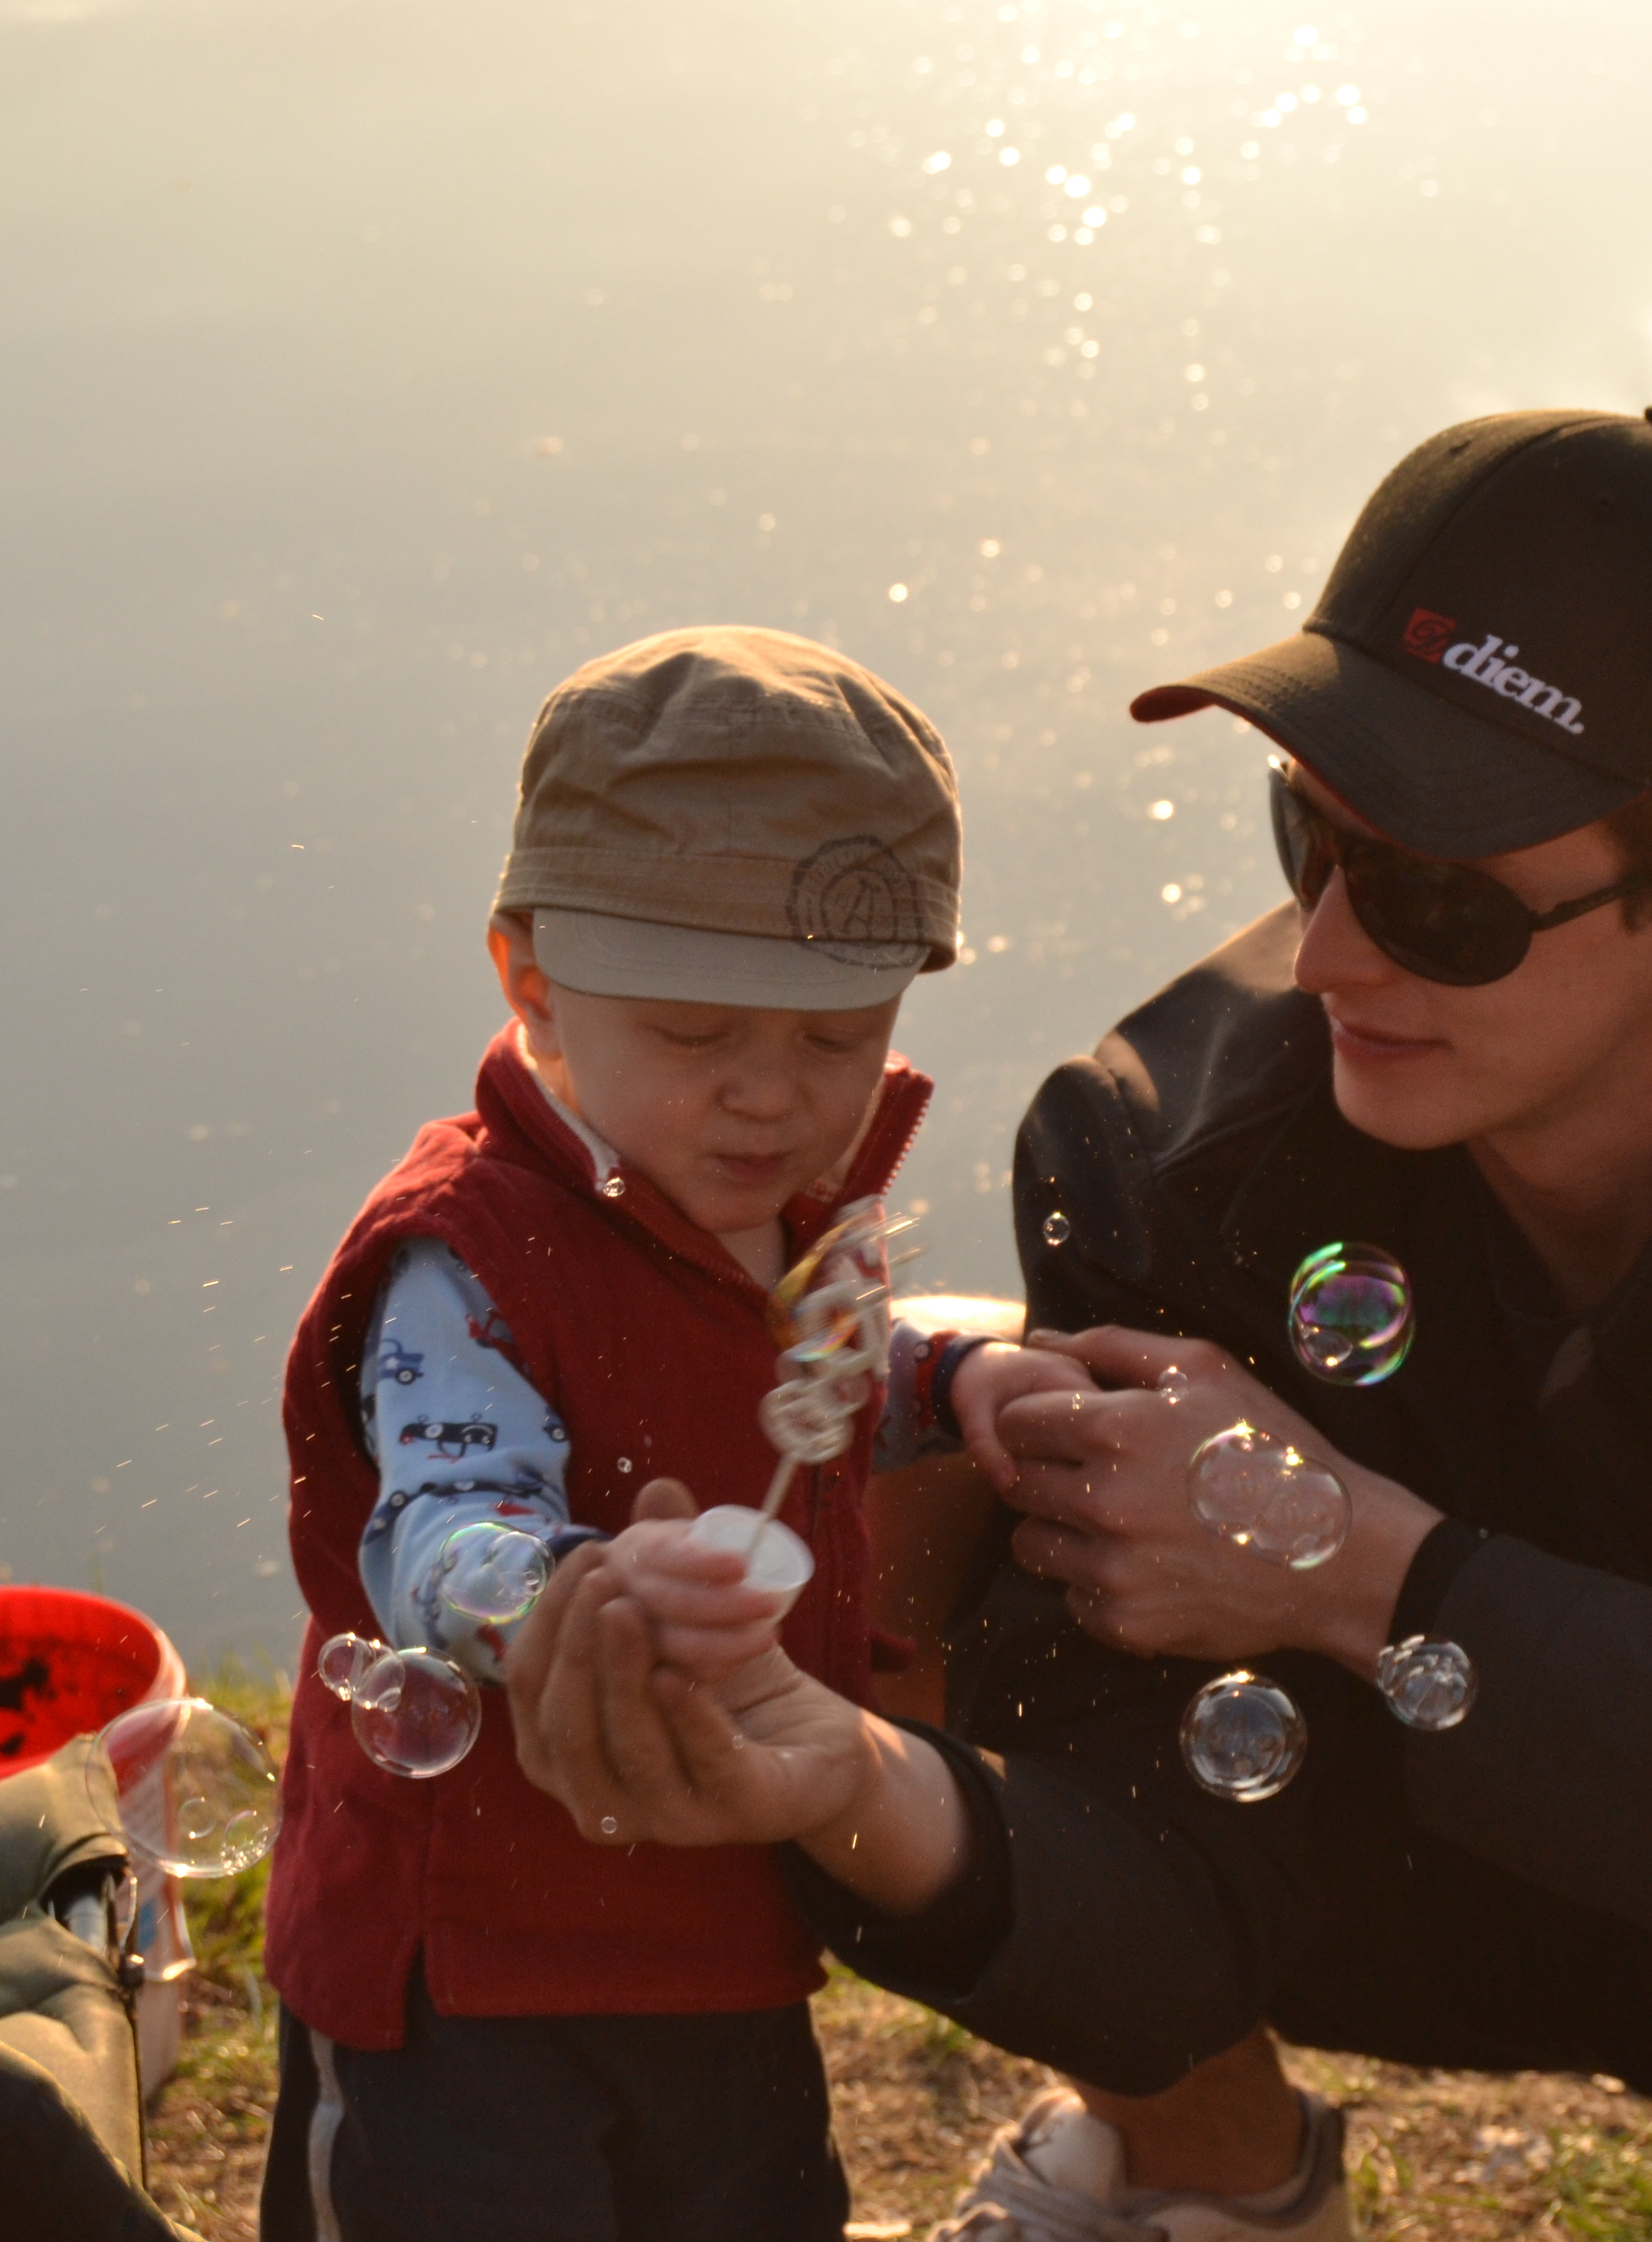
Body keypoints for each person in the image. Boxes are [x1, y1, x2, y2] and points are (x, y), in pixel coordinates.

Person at [508, 412, 1652, 2242]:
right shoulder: (1158, 1148)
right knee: (861, 1469)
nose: (1330, 956)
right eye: (1313, 835)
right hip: (1357, 1850)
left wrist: (1362, 1569)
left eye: (1442, 899)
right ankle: (1210, 2185)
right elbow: (1130, 1836)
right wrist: (862, 1785)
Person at [255, 625, 1089, 2242]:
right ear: (534, 987)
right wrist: (567, 1591)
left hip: (720, 1912)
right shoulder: (467, 1262)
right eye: (699, 1037)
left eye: (835, 1039)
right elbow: (438, 1528)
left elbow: (809, 1380)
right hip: (469, 1966)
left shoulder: (779, 1209)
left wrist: (945, 1384)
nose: (771, 1098)